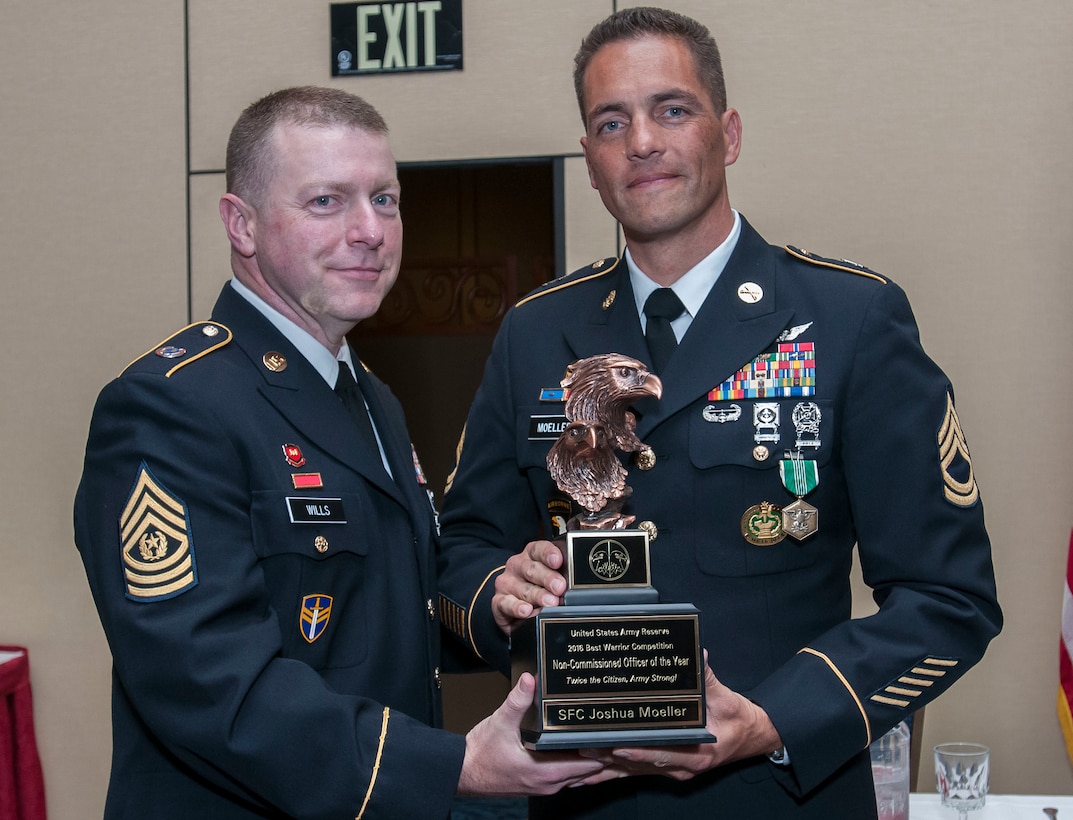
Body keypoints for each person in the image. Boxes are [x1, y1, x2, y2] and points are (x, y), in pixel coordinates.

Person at [436, 8, 1002, 818]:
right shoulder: (535, 332)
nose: (641, 141)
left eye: (672, 109)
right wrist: (499, 592)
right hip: (578, 798)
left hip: (779, 793)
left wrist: (775, 719)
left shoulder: (848, 319)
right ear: (590, 163)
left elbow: (948, 599)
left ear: (727, 133)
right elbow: (459, 548)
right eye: (609, 122)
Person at [73, 86, 620, 819]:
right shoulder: (172, 405)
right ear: (242, 223)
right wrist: (453, 765)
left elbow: (392, 610)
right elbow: (210, 684)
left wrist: (499, 603)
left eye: (385, 200)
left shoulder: (370, 399)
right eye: (326, 202)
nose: (369, 230)